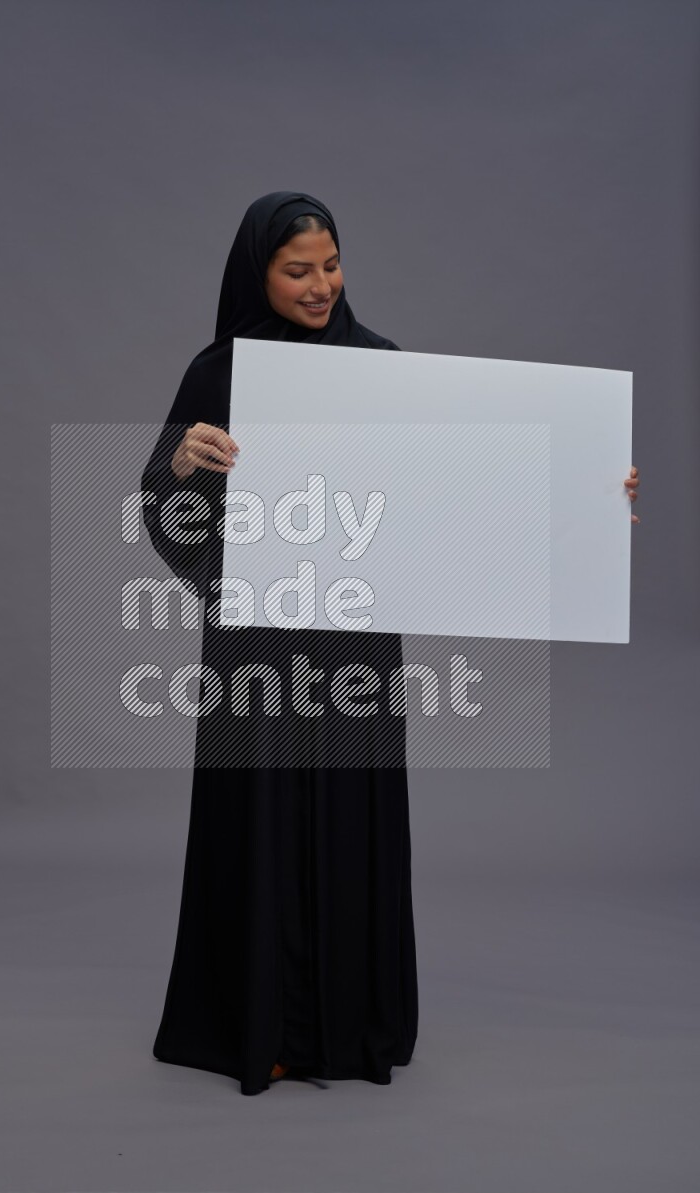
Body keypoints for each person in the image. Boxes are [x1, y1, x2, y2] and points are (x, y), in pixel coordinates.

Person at [140, 191, 642, 1097]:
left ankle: (345, 1032)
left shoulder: (380, 368)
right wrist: (179, 465)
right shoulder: (218, 373)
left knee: (346, 815)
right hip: (255, 645)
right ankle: (257, 1027)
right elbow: (166, 519)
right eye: (299, 270)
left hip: (352, 652)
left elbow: (467, 493)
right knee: (254, 824)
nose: (322, 284)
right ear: (258, 272)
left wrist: (595, 494)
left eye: (332, 264)